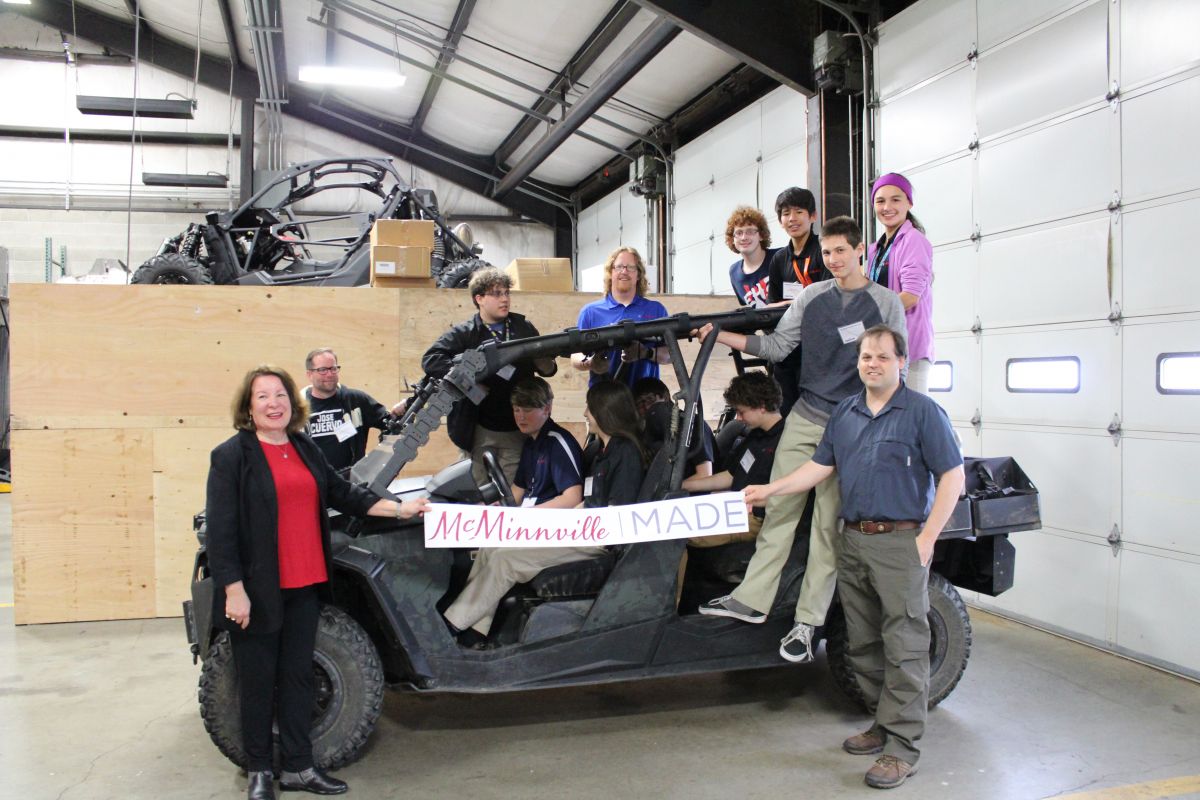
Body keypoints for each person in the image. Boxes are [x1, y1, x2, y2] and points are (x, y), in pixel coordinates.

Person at [744, 325, 964, 789]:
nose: (872, 364)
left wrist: (927, 539)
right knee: (862, 643)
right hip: (853, 540)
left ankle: (902, 748)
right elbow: (819, 467)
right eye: (866, 356)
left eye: (882, 357)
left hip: (899, 542)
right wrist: (769, 489)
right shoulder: (845, 412)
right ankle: (883, 723)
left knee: (904, 645)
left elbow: (952, 477)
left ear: (901, 362)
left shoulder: (922, 413)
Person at [205, 365, 429, 800]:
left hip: (305, 583)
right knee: (256, 681)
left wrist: (401, 510)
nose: (274, 404)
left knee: (297, 677)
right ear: (249, 408)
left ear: (293, 402)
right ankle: (259, 772)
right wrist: (234, 589)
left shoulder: (304, 449)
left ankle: (300, 767)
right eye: (263, 397)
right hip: (256, 590)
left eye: (280, 395)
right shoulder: (231, 456)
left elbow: (345, 495)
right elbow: (222, 531)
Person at [694, 216, 907, 666]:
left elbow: (893, 366)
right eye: (827, 253)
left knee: (828, 529)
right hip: (806, 416)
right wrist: (718, 336)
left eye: (840, 252)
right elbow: (775, 347)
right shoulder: (812, 297)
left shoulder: (884, 303)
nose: (833, 261)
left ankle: (807, 624)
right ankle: (751, 599)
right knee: (779, 509)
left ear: (859, 250)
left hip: (851, 427)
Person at [443, 376, 589, 645]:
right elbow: (518, 491)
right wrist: (489, 510)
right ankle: (476, 632)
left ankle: (453, 627)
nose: (520, 417)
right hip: (532, 522)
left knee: (502, 558)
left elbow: (572, 498)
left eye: (528, 410)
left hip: (556, 527)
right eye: (516, 409)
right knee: (488, 548)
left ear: (547, 409)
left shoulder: (558, 442)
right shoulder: (531, 443)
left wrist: (525, 517)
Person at [420, 267, 556, 485]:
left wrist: (544, 361)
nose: (504, 299)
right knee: (477, 492)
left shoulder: (523, 327)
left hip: (516, 428)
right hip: (477, 428)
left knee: (512, 494)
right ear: (479, 298)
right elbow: (431, 360)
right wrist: (469, 383)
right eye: (496, 294)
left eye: (506, 293)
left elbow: (548, 368)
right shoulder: (465, 332)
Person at [675, 372, 785, 600]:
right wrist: (684, 486)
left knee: (678, 535)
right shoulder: (754, 437)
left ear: (761, 406)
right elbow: (730, 476)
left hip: (755, 517)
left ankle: (674, 605)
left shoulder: (786, 441)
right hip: (732, 508)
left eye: (742, 411)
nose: (739, 417)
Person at [765, 187, 832, 414]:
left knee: (816, 413)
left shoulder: (825, 251)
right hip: (787, 350)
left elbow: (827, 300)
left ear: (812, 216)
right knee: (786, 412)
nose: (792, 218)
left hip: (819, 351)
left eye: (799, 211)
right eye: (785, 213)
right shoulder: (778, 259)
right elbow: (772, 306)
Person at [868, 173, 935, 394]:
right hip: (883, 347)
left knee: (914, 416)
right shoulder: (874, 249)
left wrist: (867, 313)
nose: (887, 207)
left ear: (909, 203)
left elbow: (910, 296)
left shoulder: (914, 240)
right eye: (880, 201)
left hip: (910, 347)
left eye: (895, 199)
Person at [572, 247, 669, 387]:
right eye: (619, 267)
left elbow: (670, 355)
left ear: (638, 275)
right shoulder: (590, 312)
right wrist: (591, 363)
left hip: (645, 399)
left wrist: (646, 352)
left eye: (630, 267)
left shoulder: (656, 310)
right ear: (610, 273)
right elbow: (575, 356)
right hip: (604, 398)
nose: (624, 271)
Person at [303, 347, 391, 473]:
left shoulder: (357, 400)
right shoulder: (297, 409)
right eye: (322, 370)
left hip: (351, 485)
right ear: (309, 374)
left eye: (333, 368)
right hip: (316, 485)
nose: (329, 374)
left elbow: (392, 424)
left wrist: (377, 464)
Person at [632, 376, 714, 480]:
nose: (646, 408)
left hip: (694, 492)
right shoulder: (648, 434)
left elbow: (705, 475)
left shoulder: (693, 424)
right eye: (640, 404)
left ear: (665, 397)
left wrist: (668, 491)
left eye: (649, 400)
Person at [725, 205, 778, 307]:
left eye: (750, 232)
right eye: (739, 233)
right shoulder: (734, 272)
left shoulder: (780, 257)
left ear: (761, 235)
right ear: (732, 239)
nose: (744, 237)